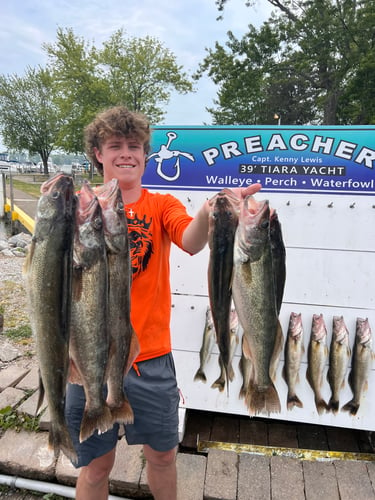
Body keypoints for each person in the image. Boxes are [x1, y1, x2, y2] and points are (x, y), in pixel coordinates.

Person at [65, 105, 261, 500]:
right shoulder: (74, 208)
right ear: (97, 153)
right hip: (87, 358)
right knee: (95, 466)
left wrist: (212, 210)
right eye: (114, 145)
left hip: (151, 357)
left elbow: (191, 240)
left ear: (145, 155)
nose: (125, 153)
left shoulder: (161, 205)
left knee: (163, 457)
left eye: (134, 146)